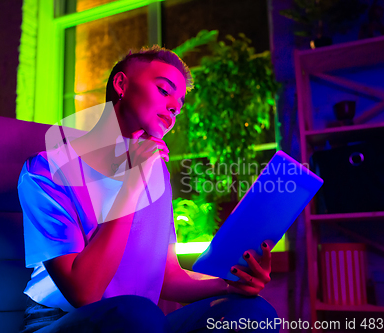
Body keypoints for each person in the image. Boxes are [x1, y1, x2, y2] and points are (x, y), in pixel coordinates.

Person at [17, 45, 280, 333]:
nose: (173, 108)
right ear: (121, 84)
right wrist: (131, 184)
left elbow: (167, 276)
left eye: (179, 104)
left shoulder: (157, 173)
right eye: (164, 91)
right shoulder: (47, 170)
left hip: (140, 321)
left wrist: (231, 285)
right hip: (60, 319)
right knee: (138, 314)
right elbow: (85, 293)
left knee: (255, 313)